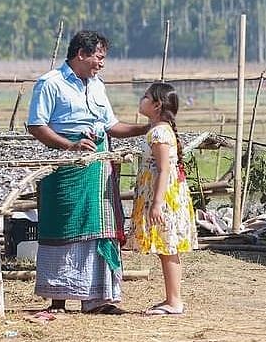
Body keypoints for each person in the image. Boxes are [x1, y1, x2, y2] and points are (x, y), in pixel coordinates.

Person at [27, 30, 148, 315]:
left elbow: (111, 125)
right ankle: (58, 298)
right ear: (81, 53)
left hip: (97, 168)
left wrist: (146, 127)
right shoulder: (50, 83)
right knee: (63, 226)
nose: (101, 63)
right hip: (64, 169)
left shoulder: (97, 85)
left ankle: (99, 298)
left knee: (98, 229)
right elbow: (37, 125)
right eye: (98, 57)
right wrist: (70, 146)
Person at [127, 81, 197, 315]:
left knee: (168, 247)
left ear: (156, 105)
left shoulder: (158, 133)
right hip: (167, 193)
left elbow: (163, 169)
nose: (141, 99)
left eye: (145, 97)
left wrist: (156, 203)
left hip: (164, 196)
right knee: (167, 248)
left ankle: (174, 301)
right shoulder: (160, 130)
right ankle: (172, 298)